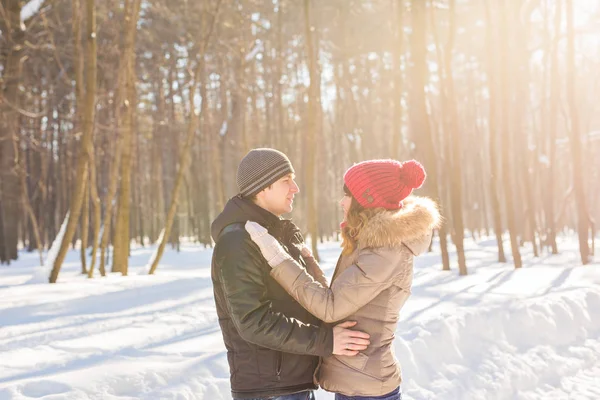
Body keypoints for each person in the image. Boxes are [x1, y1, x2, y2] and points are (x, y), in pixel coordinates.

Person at [245, 159, 441, 400]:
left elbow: (331, 307)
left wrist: (278, 259)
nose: (341, 201)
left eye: (347, 195)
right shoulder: (373, 245)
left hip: (367, 388)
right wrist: (310, 265)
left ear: (366, 201)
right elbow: (343, 297)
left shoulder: (385, 252)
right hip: (358, 382)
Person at [211, 148, 371, 400]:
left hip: (291, 383)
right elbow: (253, 321)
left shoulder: (275, 235)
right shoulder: (238, 241)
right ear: (262, 188)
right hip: (268, 390)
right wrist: (326, 340)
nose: (295, 187)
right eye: (286, 180)